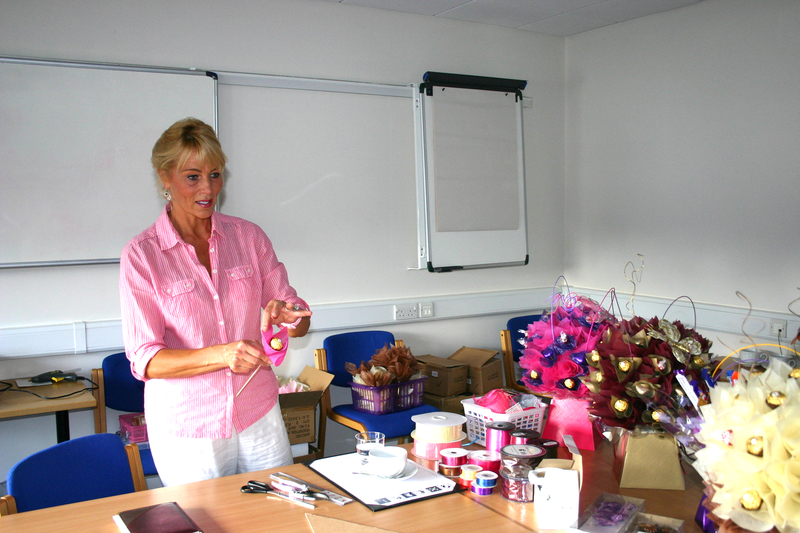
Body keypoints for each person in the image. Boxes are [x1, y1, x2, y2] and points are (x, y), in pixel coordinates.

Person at [119, 117, 311, 486]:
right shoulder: (142, 255)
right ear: (165, 177)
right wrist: (222, 354)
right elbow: (146, 359)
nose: (208, 188)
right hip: (189, 426)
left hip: (258, 410)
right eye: (193, 176)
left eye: (216, 174)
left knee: (278, 517)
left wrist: (291, 314)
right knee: (207, 524)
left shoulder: (248, 237)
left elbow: (297, 316)